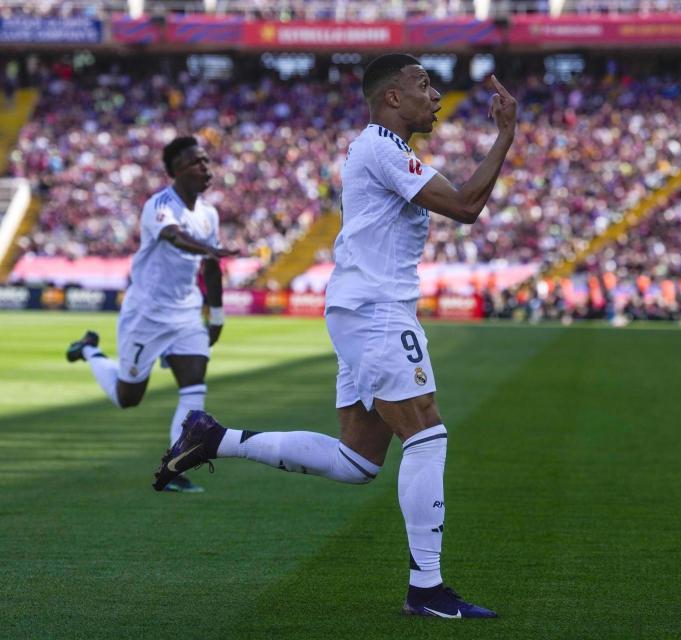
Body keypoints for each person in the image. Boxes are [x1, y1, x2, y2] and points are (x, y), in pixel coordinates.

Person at [152, 54, 517, 618]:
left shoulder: (387, 150)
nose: (436, 95)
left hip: (362, 308)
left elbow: (457, 202)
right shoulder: (382, 147)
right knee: (427, 434)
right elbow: (466, 206)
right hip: (376, 310)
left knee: (357, 461)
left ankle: (214, 437)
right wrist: (505, 136)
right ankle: (427, 588)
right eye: (424, 84)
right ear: (392, 98)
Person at [67, 136, 237, 492]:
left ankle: (175, 469)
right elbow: (174, 236)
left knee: (194, 389)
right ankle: (88, 349)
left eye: (207, 161)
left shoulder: (209, 213)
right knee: (128, 398)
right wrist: (210, 248)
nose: (206, 168)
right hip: (146, 314)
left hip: (187, 313)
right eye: (197, 162)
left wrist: (217, 315)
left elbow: (210, 268)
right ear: (176, 169)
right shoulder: (158, 205)